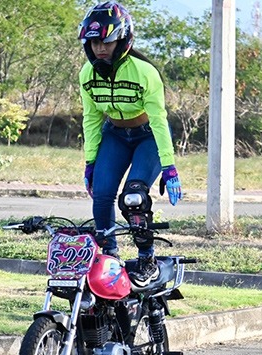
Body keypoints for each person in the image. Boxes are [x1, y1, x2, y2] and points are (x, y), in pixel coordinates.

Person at [77, 1, 183, 288]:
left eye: (107, 42)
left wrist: (169, 166)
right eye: (94, 42)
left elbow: (160, 120)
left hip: (147, 135)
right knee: (101, 196)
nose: (100, 48)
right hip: (115, 135)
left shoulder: (144, 72)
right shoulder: (87, 75)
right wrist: (90, 163)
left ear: (122, 40)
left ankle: (147, 258)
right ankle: (109, 257)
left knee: (134, 198)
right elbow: (91, 119)